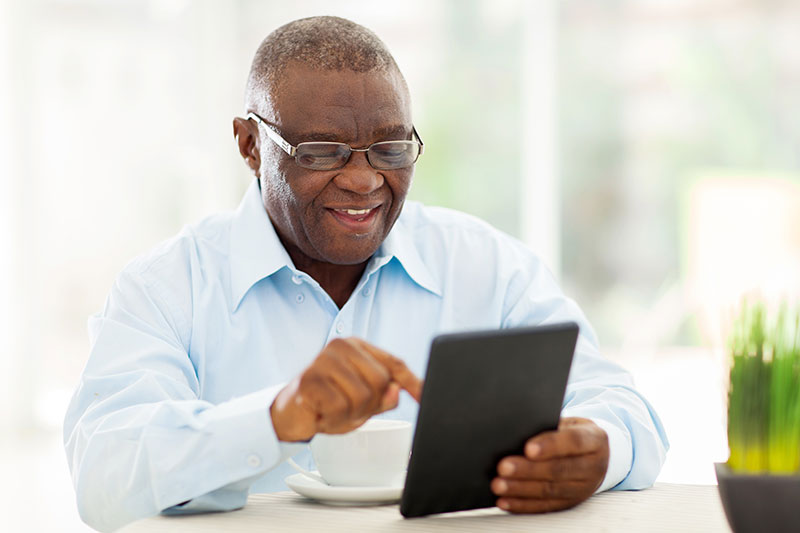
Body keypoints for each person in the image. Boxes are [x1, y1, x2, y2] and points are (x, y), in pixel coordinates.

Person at [63, 16, 668, 532]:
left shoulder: (487, 267)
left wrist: (598, 449)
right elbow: (104, 472)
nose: (363, 179)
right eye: (322, 152)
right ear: (250, 145)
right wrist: (277, 417)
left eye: (391, 148)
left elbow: (623, 406)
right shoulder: (168, 287)